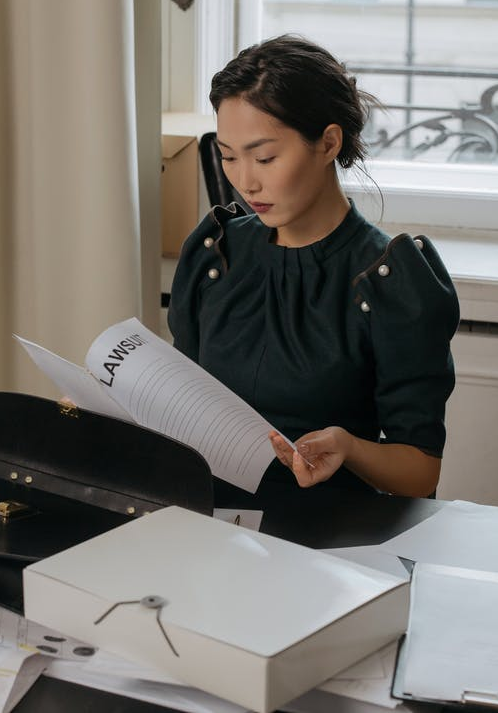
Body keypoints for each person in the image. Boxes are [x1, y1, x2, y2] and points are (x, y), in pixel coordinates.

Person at [167, 34, 460, 501]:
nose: (245, 181)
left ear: (327, 143)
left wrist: (350, 448)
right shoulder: (215, 254)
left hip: (331, 537)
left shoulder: (390, 282)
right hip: (209, 522)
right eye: (228, 157)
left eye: (265, 157)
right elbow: (182, 405)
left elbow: (420, 473)